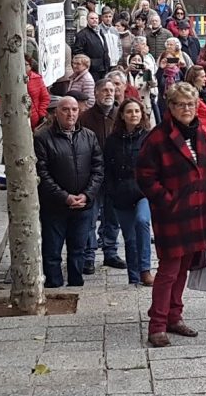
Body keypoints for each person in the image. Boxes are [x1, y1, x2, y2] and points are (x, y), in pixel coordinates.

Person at [137, 82, 206, 348]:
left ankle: (174, 316)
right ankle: (157, 324)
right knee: (168, 270)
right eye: (180, 104)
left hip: (195, 213)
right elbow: (145, 177)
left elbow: (202, 168)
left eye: (191, 104)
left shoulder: (199, 132)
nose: (186, 109)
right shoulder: (158, 137)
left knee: (184, 268)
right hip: (172, 214)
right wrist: (166, 200)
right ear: (170, 106)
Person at [34, 96, 104, 288]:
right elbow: (42, 173)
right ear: (56, 112)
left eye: (74, 109)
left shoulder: (89, 136)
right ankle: (54, 284)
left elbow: (98, 169)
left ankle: (76, 283)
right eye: (65, 109)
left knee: (78, 249)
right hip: (54, 206)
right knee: (52, 250)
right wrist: (64, 197)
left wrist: (87, 195)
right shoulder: (42, 138)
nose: (70, 113)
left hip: (83, 205)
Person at [103, 98, 153, 286]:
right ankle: (134, 276)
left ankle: (145, 269)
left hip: (144, 192)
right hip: (121, 193)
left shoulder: (148, 137)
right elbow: (107, 167)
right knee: (130, 238)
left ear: (142, 114)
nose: (133, 115)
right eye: (129, 111)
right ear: (122, 116)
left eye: (137, 111)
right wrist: (111, 190)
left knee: (142, 222)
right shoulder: (113, 140)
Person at [79, 79, 125, 274]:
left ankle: (110, 251)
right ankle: (88, 255)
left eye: (111, 90)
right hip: (92, 176)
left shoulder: (120, 116)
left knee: (112, 217)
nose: (108, 93)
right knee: (89, 217)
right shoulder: (85, 118)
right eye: (104, 90)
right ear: (96, 93)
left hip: (115, 176)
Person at [72, 10, 111, 81]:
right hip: (92, 70)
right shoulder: (82, 34)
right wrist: (90, 62)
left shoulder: (100, 32)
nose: (94, 20)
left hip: (104, 68)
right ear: (87, 20)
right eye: (92, 18)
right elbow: (77, 51)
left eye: (96, 18)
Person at [184, 65, 206, 138]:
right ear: (194, 79)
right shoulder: (190, 98)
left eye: (205, 76)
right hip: (202, 135)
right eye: (202, 77)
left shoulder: (204, 94)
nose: (205, 79)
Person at [26, 55, 50, 130]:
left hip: (35, 120)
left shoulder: (37, 79)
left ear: (30, 66)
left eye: (25, 64)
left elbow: (45, 98)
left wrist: (41, 114)